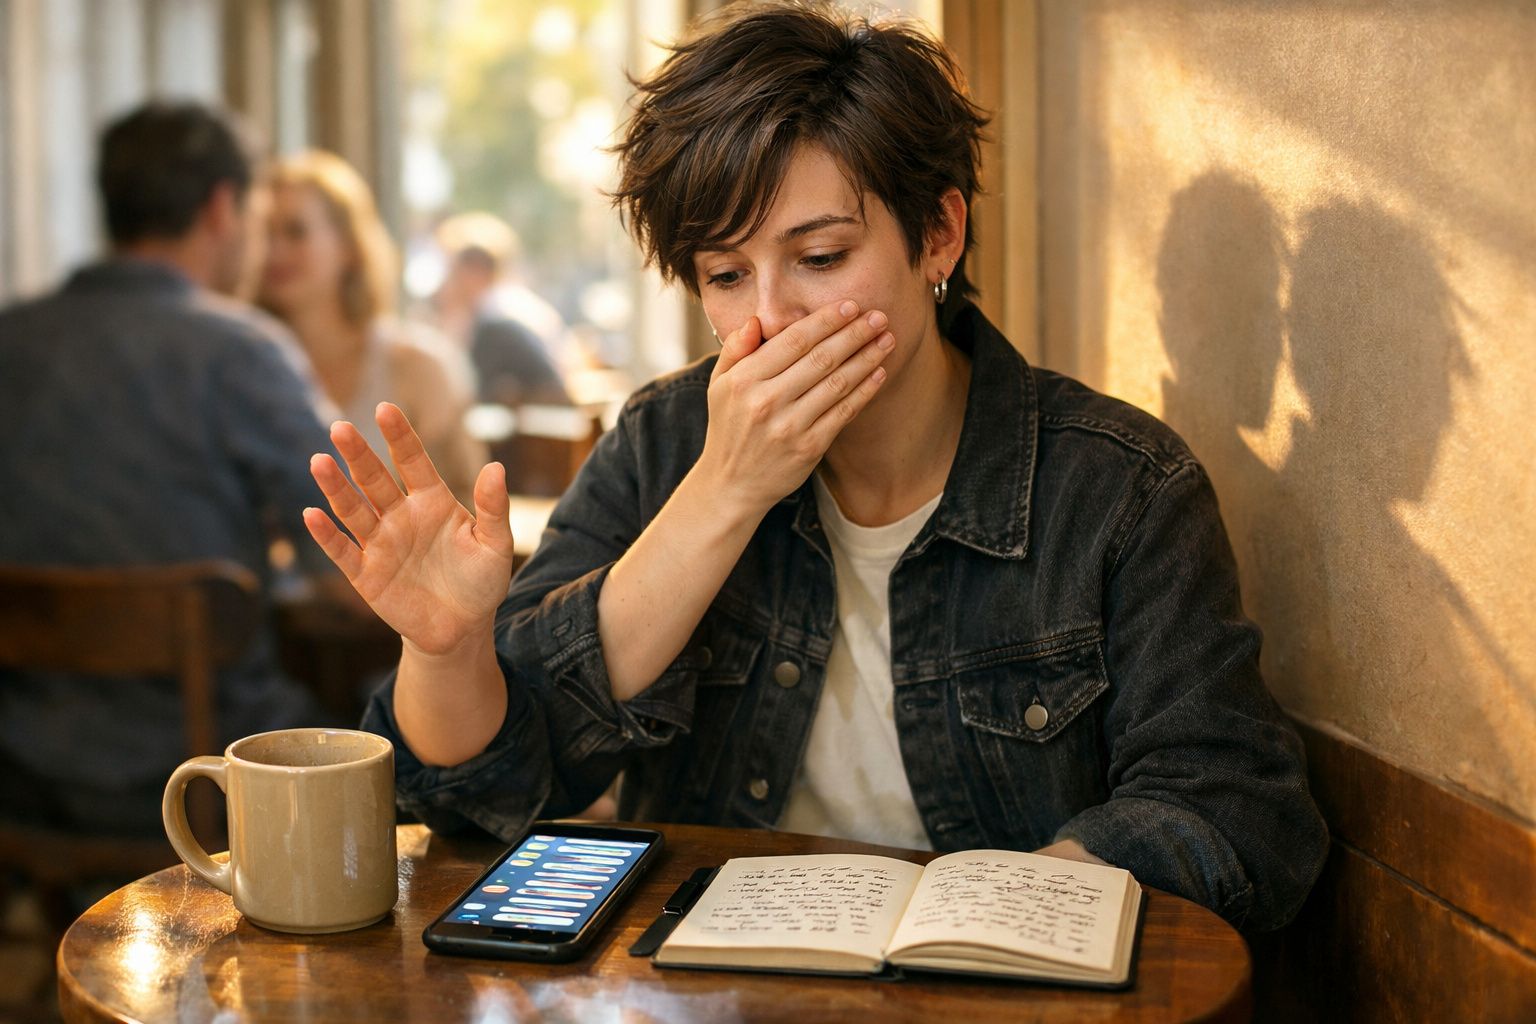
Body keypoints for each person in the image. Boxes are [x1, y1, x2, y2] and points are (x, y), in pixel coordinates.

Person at [307, 1, 1327, 931]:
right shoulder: (667, 444)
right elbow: (478, 792)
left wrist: (1009, 905)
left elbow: (1234, 809)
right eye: (725, 274)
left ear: (938, 233)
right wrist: (451, 648)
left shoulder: (1119, 487)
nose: (771, 320)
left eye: (822, 257)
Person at [0, 101, 337, 836]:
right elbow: (350, 554)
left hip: (21, 756)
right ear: (224, 208)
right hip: (202, 773)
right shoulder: (238, 351)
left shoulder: (10, 341)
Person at [257, 151, 486, 504]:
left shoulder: (416, 367)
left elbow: (467, 507)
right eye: (263, 233)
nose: (274, 251)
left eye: (295, 231)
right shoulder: (246, 366)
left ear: (348, 245)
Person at [431, 211, 578, 408]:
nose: (446, 282)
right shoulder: (513, 302)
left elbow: (471, 393)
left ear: (475, 272)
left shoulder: (495, 321)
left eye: (453, 270)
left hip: (538, 432)